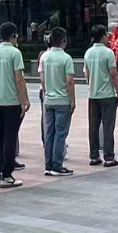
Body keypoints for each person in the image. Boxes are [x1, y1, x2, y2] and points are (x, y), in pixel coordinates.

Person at [0, 22, 29, 188]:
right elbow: (19, 78)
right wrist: (24, 99)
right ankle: (7, 174)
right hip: (11, 102)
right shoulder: (15, 53)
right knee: (10, 138)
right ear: (13, 35)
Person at [83, 26, 118, 168]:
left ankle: (94, 156)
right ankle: (109, 157)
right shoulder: (108, 53)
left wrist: (92, 85)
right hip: (107, 95)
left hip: (93, 94)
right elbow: (113, 73)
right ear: (103, 36)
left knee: (93, 126)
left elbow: (87, 74)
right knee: (108, 126)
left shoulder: (88, 53)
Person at [41, 27, 75, 176]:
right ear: (64, 40)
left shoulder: (45, 57)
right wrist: (72, 100)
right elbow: (69, 81)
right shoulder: (66, 58)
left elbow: (42, 79)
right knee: (61, 134)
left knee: (49, 133)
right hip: (62, 100)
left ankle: (48, 164)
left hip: (48, 99)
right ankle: (57, 164)